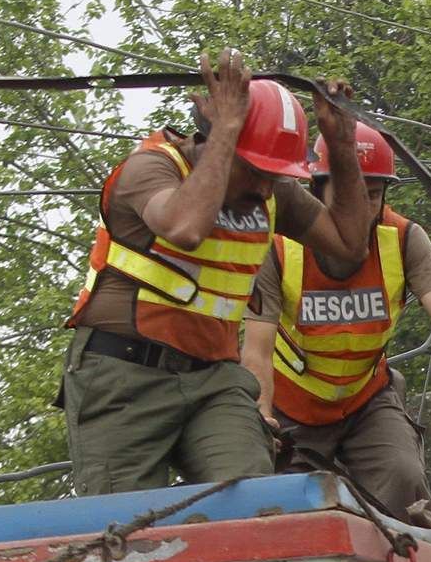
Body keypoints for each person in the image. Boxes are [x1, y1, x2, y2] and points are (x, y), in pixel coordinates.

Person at [61, 52, 372, 495]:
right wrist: (227, 126)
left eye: (275, 175)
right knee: (124, 528)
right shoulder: (150, 169)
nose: (265, 187)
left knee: (254, 506)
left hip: (215, 381)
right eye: (256, 171)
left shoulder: (271, 194)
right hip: (125, 375)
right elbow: (185, 228)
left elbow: (349, 245)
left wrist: (341, 148)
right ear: (217, 138)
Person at [240, 123, 431, 522]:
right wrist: (263, 422)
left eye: (370, 195)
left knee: (404, 483)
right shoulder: (278, 246)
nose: (360, 209)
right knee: (285, 507)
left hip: (365, 402)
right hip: (290, 410)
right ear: (317, 191)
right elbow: (256, 352)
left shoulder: (405, 239)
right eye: (346, 195)